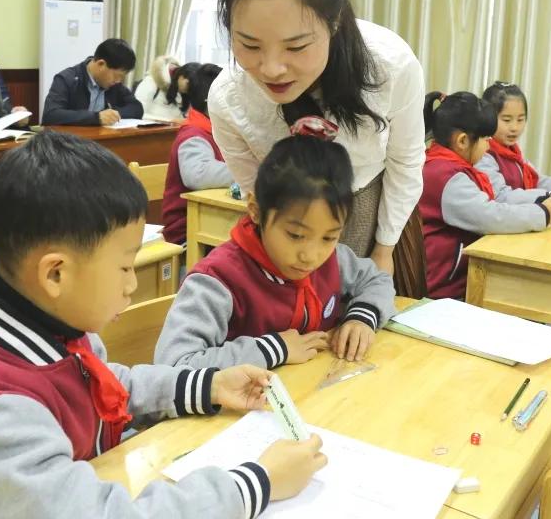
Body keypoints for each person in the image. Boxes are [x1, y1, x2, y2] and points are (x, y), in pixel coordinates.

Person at [0, 130, 326, 518]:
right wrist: (258, 483)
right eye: (126, 267)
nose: (131, 286)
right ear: (56, 274)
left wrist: (206, 386)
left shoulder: (40, 319)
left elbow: (103, 384)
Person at [208, 0, 424, 280]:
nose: (272, 68)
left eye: (295, 47)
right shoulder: (229, 97)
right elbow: (258, 196)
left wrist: (385, 249)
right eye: (249, 44)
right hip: (286, 224)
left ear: (334, 23)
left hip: (377, 212)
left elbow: (406, 160)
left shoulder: (388, 65)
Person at [155, 120, 396, 370]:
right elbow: (172, 366)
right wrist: (273, 349)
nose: (311, 256)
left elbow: (376, 280)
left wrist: (362, 317)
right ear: (256, 211)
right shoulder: (218, 280)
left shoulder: (334, 259)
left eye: (329, 237)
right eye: (295, 235)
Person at [420, 92, 551, 299]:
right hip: (446, 288)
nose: (489, 146)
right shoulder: (445, 175)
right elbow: (490, 215)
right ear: (463, 141)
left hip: (459, 277)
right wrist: (543, 214)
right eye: (485, 139)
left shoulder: (444, 166)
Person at [162, 63, 232, 245]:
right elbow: (197, 174)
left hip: (212, 220)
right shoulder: (193, 133)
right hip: (186, 231)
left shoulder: (218, 130)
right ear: (213, 103)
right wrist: (247, 172)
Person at [42, 38, 144, 126]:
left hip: (101, 141)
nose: (118, 81)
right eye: (117, 76)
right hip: (69, 143)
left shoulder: (114, 84)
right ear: (101, 64)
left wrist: (112, 115)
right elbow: (51, 115)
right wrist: (96, 117)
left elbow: (137, 108)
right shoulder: (67, 79)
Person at [133, 54, 184, 122]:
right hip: (152, 129)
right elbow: (137, 112)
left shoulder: (181, 89)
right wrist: (169, 120)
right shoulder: (150, 82)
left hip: (174, 129)